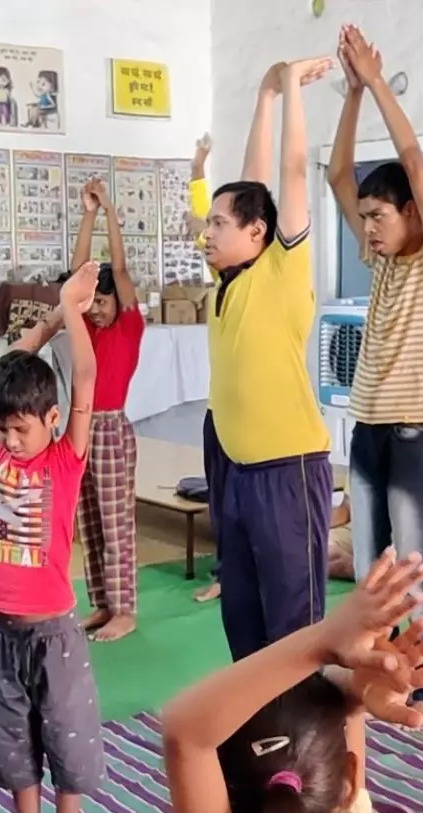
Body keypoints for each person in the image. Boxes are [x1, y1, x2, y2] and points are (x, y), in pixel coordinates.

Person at [162, 547, 423, 813]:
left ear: (220, 785)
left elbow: (186, 731)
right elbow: (187, 734)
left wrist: (326, 645)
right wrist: (345, 675)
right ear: (348, 778)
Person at [327, 24, 423, 728]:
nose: (370, 228)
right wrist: (349, 96)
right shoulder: (381, 262)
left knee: (413, 566)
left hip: (414, 430)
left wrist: (378, 82)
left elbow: (411, 156)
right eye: (367, 217)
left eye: (380, 216)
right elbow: (335, 175)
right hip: (369, 429)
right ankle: (383, 677)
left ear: (412, 212)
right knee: (370, 572)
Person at [0, 262, 104, 813]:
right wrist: (52, 309)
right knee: (14, 744)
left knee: (66, 742)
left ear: (50, 420)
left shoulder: (63, 457)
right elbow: (10, 374)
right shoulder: (3, 448)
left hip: (53, 631)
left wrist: (71, 313)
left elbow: (84, 379)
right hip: (1, 630)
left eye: (21, 427)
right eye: (3, 427)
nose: (9, 439)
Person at [202, 57, 334, 661]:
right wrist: (261, 93)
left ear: (258, 232)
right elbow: (252, 183)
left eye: (218, 224)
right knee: (243, 616)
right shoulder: (227, 282)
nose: (207, 233)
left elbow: (289, 172)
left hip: (287, 470)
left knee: (293, 624)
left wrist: (289, 92)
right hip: (235, 472)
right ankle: (256, 732)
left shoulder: (281, 272)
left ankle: (307, 744)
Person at [19, 177, 145, 642]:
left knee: (116, 524)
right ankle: (101, 603)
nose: (96, 311)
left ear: (120, 302)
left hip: (110, 429)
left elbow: (121, 269)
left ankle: (125, 609)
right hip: (80, 428)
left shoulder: (127, 325)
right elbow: (78, 280)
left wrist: (109, 210)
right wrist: (85, 213)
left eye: (104, 303)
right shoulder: (87, 327)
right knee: (88, 521)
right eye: (93, 304)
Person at [186, 132, 224, 604]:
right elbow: (200, 217)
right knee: (221, 497)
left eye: (221, 226)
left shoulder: (266, 276)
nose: (209, 235)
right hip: (221, 412)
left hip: (260, 419)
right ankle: (224, 572)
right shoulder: (221, 273)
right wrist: (198, 165)